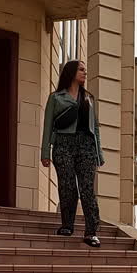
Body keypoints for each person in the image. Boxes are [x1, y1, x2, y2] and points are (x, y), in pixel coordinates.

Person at [40, 60, 103, 247]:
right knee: (67, 186)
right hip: (63, 145)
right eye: (81, 69)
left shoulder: (89, 99)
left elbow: (96, 129)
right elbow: (48, 125)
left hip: (86, 146)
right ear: (71, 72)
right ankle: (67, 225)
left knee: (87, 189)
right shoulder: (56, 97)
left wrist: (99, 153)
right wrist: (45, 152)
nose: (85, 72)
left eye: (85, 69)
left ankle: (91, 232)